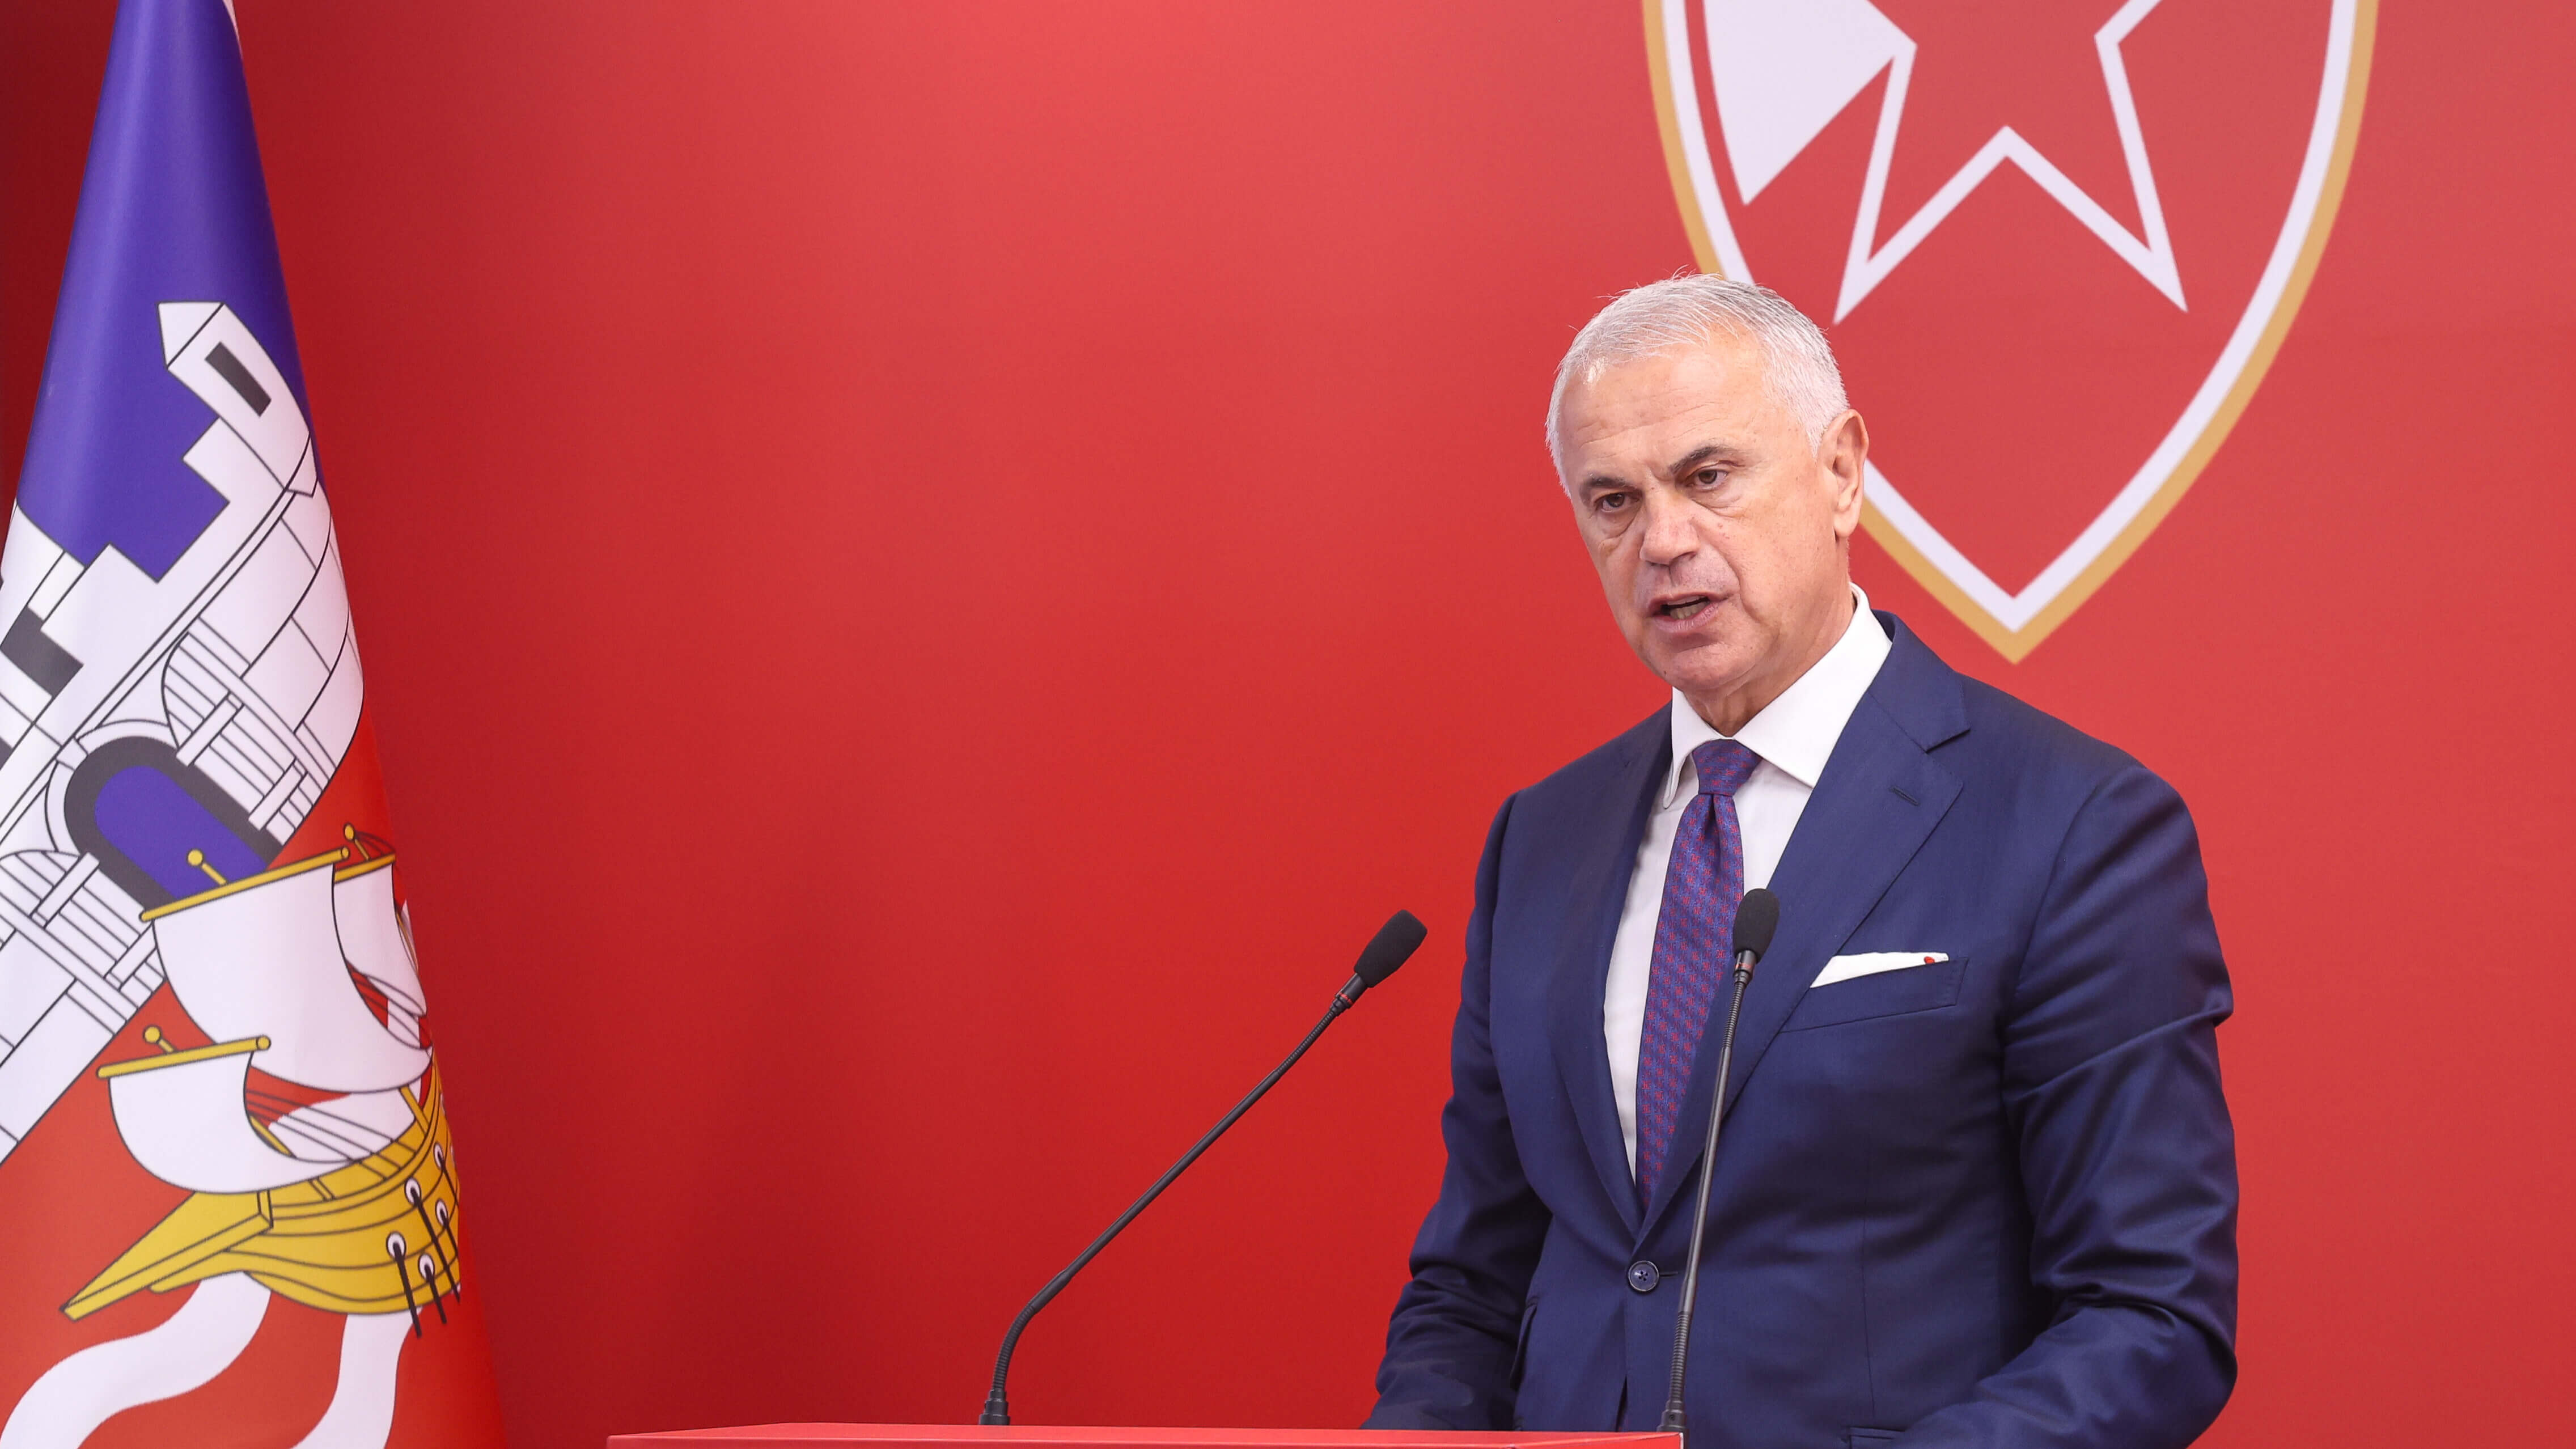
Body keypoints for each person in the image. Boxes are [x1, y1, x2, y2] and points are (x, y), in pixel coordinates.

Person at [1363, 277, 2236, 1449]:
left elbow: (2150, 1315)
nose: (1663, 542)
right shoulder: (1542, 838)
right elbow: (1474, 1285)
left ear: (1841, 472)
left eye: (1708, 477)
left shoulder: (2069, 824)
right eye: (1613, 500)